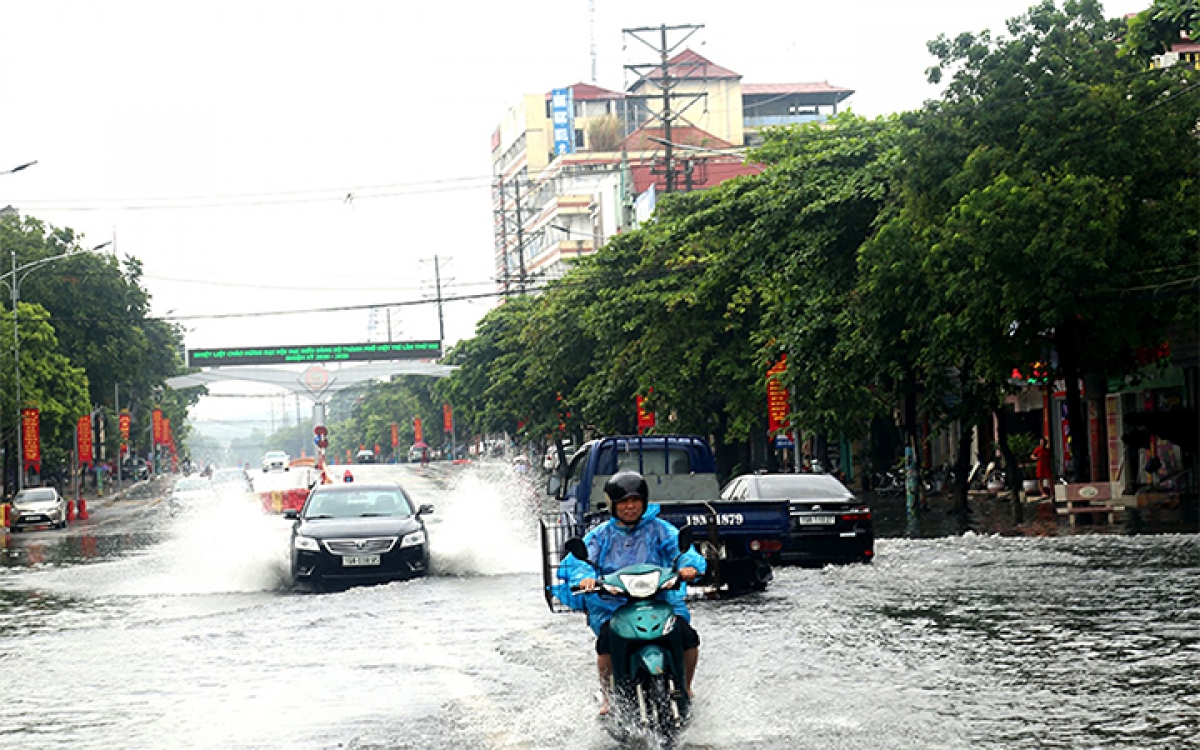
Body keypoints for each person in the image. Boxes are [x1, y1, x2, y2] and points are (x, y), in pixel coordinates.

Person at [562, 470, 706, 715]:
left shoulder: (660, 529)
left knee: (688, 637)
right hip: (613, 604)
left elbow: (682, 551)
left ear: (644, 502)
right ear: (612, 505)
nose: (630, 507)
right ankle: (608, 697)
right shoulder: (600, 535)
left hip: (658, 599)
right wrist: (584, 578)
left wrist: (689, 566)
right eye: (623, 502)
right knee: (606, 641)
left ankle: (686, 686)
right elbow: (579, 562)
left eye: (635, 501)